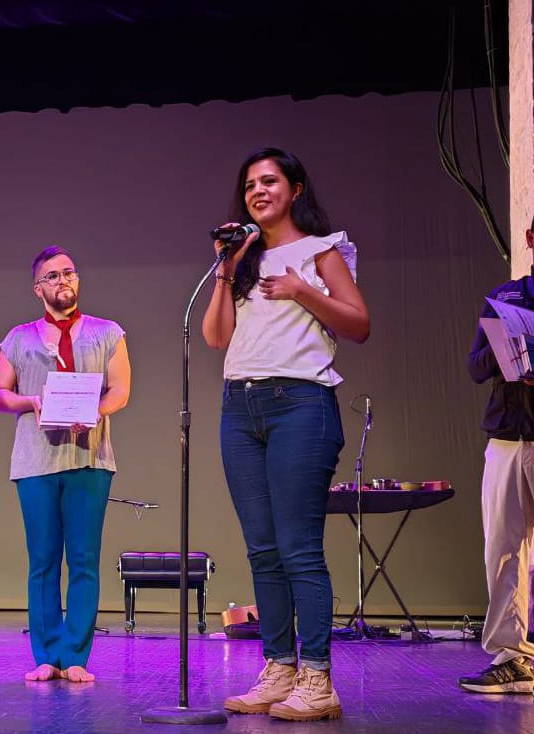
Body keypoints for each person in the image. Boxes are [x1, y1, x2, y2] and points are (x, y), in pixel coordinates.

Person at [201, 147, 369, 721]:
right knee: (262, 548)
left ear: (296, 188)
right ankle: (279, 668)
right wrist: (227, 269)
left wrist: (303, 291)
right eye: (249, 184)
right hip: (240, 406)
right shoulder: (241, 261)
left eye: (270, 181)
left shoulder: (321, 251)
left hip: (299, 403)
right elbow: (215, 338)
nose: (258, 191)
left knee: (299, 548)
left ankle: (317, 678)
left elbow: (359, 323)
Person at [0, 245, 131, 683]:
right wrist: (29, 401)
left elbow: (120, 390)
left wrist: (93, 411)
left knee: (84, 559)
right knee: (44, 560)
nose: (62, 280)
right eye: (52, 276)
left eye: (68, 272)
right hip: (35, 462)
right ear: (38, 288)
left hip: (89, 458)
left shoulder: (107, 332)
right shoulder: (19, 337)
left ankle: (75, 656)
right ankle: (46, 654)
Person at [460, 214, 534, 694]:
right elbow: (474, 367)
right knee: (503, 553)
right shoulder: (506, 297)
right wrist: (508, 355)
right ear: (531, 238)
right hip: (509, 438)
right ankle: (513, 658)